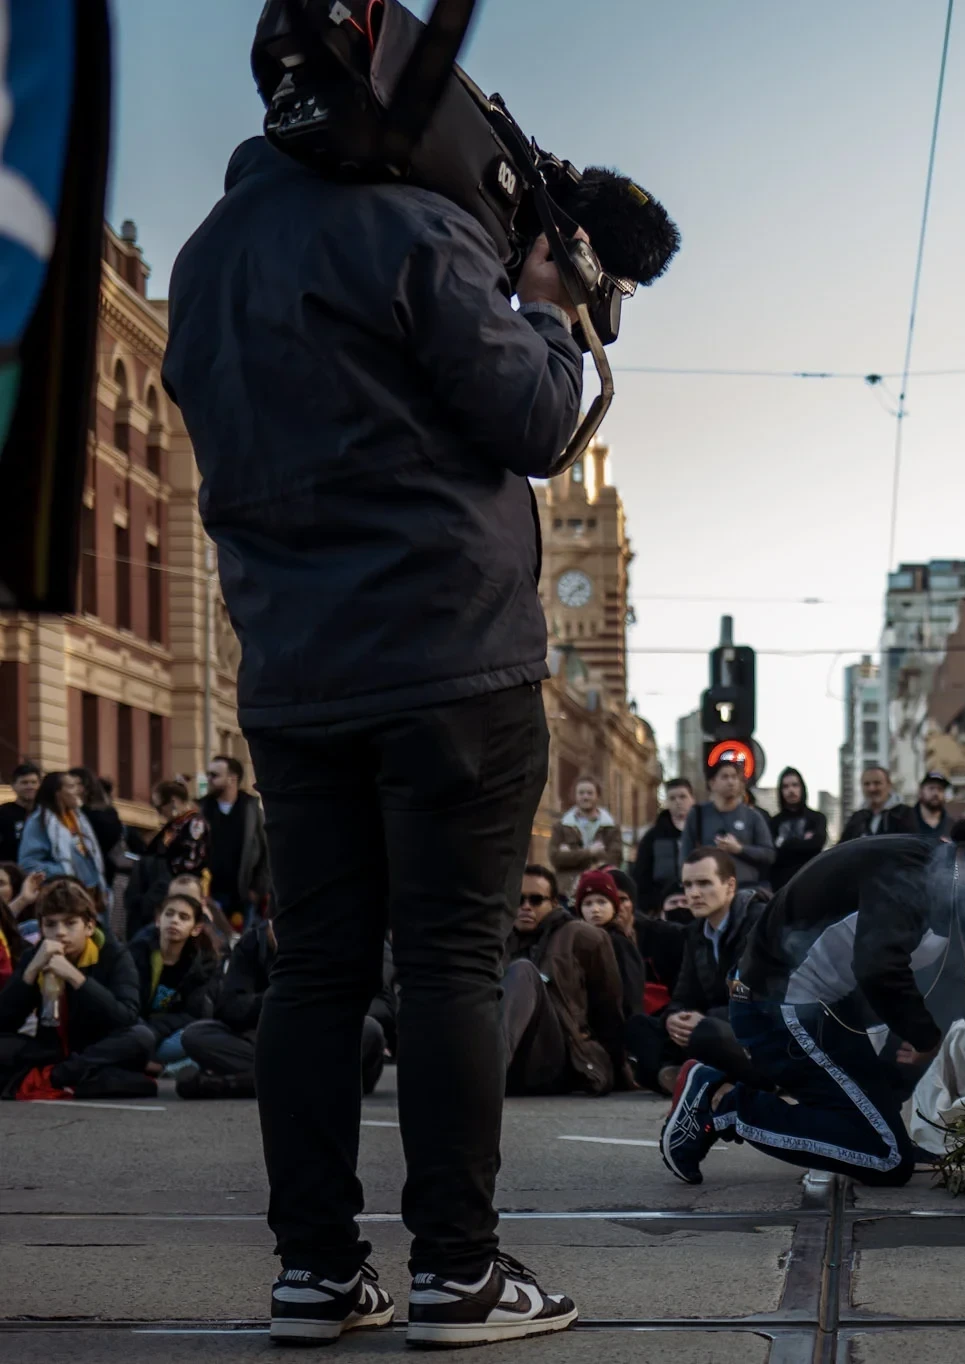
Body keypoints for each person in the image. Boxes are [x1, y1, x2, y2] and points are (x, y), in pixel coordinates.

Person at [164, 101, 585, 1340]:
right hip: (450, 654)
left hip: (293, 670)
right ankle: (459, 1269)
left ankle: (315, 1268)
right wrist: (549, 308)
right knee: (451, 959)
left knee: (316, 968)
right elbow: (534, 418)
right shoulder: (409, 224)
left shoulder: (207, 254)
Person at [657, 825, 965, 1186]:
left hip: (821, 1008)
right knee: (886, 1157)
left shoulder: (950, 884)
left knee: (882, 1133)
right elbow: (879, 967)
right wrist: (925, 1036)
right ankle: (722, 1105)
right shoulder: (910, 869)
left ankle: (868, 1128)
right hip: (776, 1005)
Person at [180, 915, 387, 1101]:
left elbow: (382, 1004)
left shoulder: (335, 941)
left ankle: (232, 1084)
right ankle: (306, 1081)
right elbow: (230, 1007)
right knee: (196, 1034)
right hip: (270, 1043)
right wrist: (280, 998)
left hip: (320, 1042)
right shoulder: (253, 943)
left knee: (369, 1029)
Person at [624, 846, 771, 1094]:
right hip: (711, 1030)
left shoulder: (758, 923)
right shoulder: (696, 932)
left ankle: (698, 1080)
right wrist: (674, 1019)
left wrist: (704, 1018)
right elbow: (683, 995)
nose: (694, 893)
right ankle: (684, 1078)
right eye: (688, 885)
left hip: (756, 1034)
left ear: (730, 886)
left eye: (704, 883)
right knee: (638, 1027)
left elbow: (757, 999)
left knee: (707, 1032)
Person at [0, 878, 151, 1100]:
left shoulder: (114, 954)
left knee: (141, 1036)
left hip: (96, 1048)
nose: (60, 932)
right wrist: (30, 973)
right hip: (50, 1050)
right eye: (51, 925)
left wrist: (75, 977)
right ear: (41, 927)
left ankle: (59, 1076)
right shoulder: (34, 956)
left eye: (70, 923)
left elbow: (125, 1016)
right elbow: (5, 1022)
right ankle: (73, 1079)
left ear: (89, 926)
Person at [503, 865, 626, 1099]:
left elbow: (609, 1008)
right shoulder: (497, 941)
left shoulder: (582, 936)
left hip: (558, 1054)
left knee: (523, 971)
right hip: (513, 1063)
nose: (526, 907)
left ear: (553, 903)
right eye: (518, 900)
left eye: (535, 900)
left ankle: (488, 1070)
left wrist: (613, 1067)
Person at [128, 891, 220, 1073]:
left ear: (196, 929)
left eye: (183, 917)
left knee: (197, 1039)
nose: (174, 921)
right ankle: (163, 1067)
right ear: (158, 920)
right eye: (169, 914)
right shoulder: (137, 953)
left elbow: (193, 1015)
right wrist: (145, 1031)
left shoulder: (202, 965)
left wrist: (154, 1030)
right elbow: (127, 1004)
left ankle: (158, 1066)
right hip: (137, 1029)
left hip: (168, 1036)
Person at [200, 756, 271, 934]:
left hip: (243, 896)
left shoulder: (251, 810)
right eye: (208, 775)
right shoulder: (203, 809)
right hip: (210, 895)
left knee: (241, 942)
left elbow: (266, 852)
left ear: (232, 779)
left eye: (215, 775)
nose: (209, 779)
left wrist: (257, 889)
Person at [127, 780, 211, 929]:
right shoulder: (175, 824)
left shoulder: (194, 823)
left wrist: (165, 871)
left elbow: (189, 861)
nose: (159, 813)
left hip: (176, 888)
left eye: (160, 807)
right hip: (158, 886)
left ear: (173, 802)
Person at [683, 759, 776, 887]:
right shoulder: (698, 814)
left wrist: (740, 849)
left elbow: (769, 855)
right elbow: (685, 855)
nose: (731, 782)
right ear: (712, 783)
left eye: (734, 777)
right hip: (709, 889)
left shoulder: (753, 816)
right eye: (725, 777)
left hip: (746, 887)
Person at [17, 769, 107, 900]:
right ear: (58, 793)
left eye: (77, 785)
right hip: (61, 896)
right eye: (71, 786)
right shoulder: (39, 821)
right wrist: (65, 871)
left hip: (89, 894)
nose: (78, 791)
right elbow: (28, 864)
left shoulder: (79, 818)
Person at [572, 868, 644, 1031]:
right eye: (588, 904)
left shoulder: (620, 943)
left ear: (614, 906)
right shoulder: (577, 942)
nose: (595, 909)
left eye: (602, 902)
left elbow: (631, 992)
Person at [629, 777, 696, 916]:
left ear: (692, 799)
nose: (678, 802)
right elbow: (641, 874)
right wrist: (650, 906)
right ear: (667, 802)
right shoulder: (653, 837)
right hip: (662, 907)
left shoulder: (702, 832)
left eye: (683, 796)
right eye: (672, 798)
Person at [69, 768, 130, 891]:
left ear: (86, 787)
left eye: (77, 784)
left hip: (97, 874)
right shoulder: (106, 812)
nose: (73, 789)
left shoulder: (88, 815)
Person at [769, 767, 828, 891]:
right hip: (781, 887)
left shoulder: (817, 818)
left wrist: (784, 843)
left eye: (795, 785)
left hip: (811, 882)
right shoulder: (773, 822)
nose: (791, 790)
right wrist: (803, 842)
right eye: (786, 786)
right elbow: (773, 855)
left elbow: (816, 844)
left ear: (802, 788)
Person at [552, 776, 623, 877]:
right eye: (581, 793)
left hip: (600, 883)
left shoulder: (612, 827)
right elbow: (555, 858)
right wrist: (590, 852)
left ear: (597, 796)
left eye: (590, 793)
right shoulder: (561, 826)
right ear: (575, 796)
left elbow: (614, 860)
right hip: (568, 885)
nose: (585, 797)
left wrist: (570, 856)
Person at [840, 765, 912, 842]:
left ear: (889, 785)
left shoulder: (906, 814)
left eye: (877, 783)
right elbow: (842, 846)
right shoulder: (857, 817)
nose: (872, 788)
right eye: (867, 784)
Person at [0, 761, 40, 863]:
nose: (30, 787)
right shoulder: (3, 813)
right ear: (13, 786)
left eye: (34, 782)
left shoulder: (45, 813)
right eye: (24, 783)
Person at [907, 771, 952, 843]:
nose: (936, 793)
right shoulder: (905, 821)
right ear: (921, 791)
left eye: (940, 789)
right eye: (931, 788)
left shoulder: (951, 825)